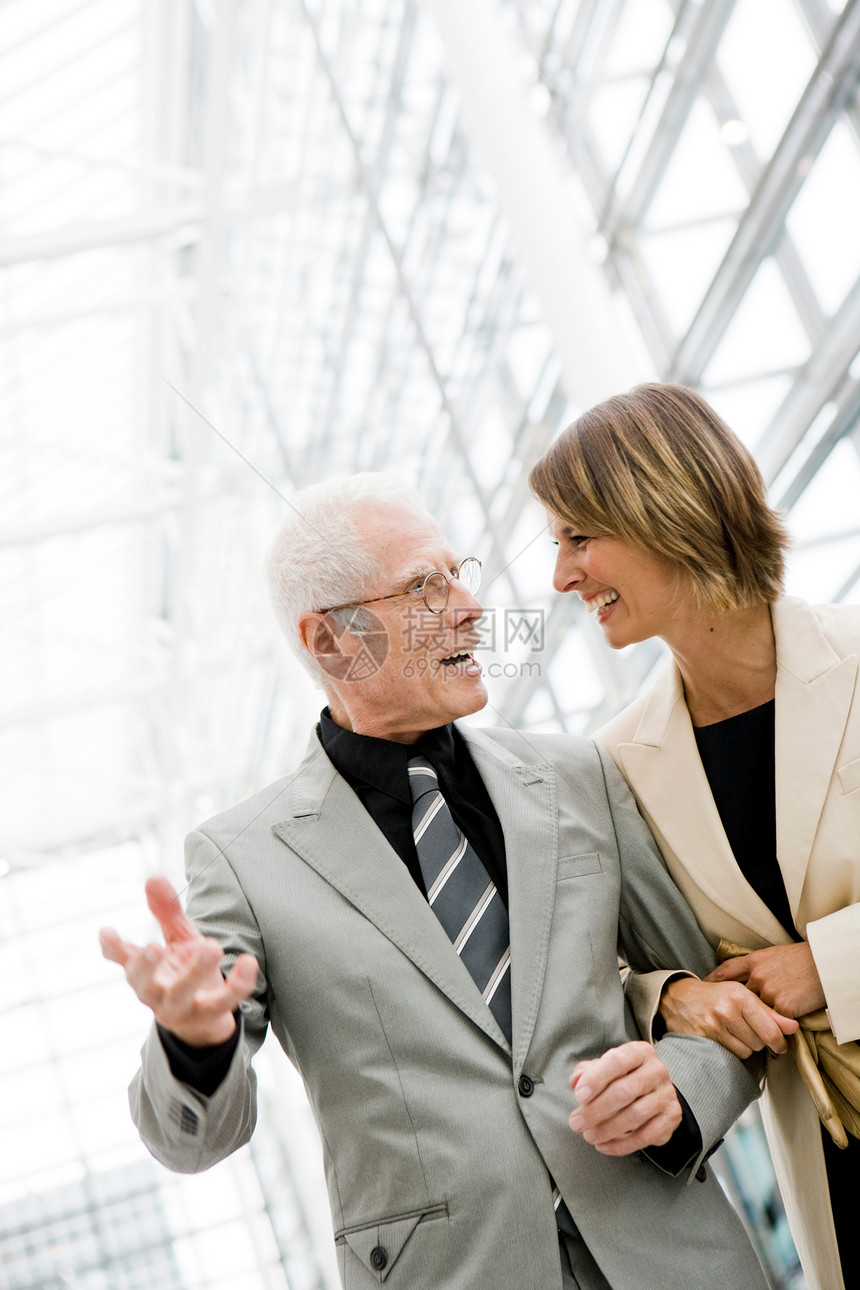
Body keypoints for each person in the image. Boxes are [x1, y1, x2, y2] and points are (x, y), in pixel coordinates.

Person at [100, 473, 770, 1290]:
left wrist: (683, 1087)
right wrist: (194, 1045)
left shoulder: (577, 776)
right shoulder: (242, 859)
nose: (469, 608)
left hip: (673, 1260)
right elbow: (193, 1140)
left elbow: (718, 994)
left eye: (460, 574)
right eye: (425, 585)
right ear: (332, 641)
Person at [529, 381, 860, 1290]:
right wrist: (670, 996)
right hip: (835, 1164)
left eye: (577, 537)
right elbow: (611, 968)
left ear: (660, 507)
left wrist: (828, 966)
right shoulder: (619, 765)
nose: (560, 577)